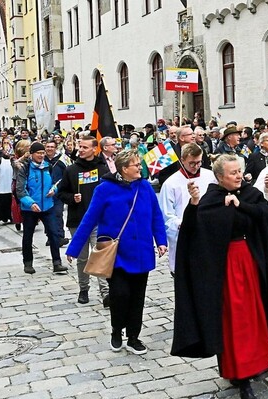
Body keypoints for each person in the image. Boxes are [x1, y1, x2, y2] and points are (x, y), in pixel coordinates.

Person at [172, 154, 268, 399]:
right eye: (233, 173)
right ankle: (241, 376)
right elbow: (194, 232)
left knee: (256, 315)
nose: (238, 176)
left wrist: (240, 205)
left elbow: (265, 217)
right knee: (235, 319)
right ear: (219, 177)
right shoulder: (210, 199)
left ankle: (258, 364)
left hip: (252, 263)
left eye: (239, 171)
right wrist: (193, 204)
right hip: (225, 268)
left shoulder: (249, 194)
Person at [66, 149, 168, 354]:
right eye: (136, 165)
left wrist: (161, 240)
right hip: (116, 253)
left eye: (140, 164)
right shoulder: (104, 190)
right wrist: (74, 248)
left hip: (141, 252)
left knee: (138, 297)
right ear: (123, 168)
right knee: (119, 295)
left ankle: (133, 337)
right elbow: (89, 219)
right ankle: (116, 330)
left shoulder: (145, 188)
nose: (141, 167)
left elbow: (156, 215)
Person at [57, 135, 111, 305]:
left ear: (95, 149)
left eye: (85, 147)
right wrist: (73, 198)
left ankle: (105, 293)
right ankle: (83, 288)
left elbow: (111, 191)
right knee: (82, 258)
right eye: (80, 147)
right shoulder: (71, 170)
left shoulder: (103, 169)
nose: (80, 149)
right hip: (78, 220)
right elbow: (61, 193)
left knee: (100, 256)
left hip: (99, 220)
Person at [158, 143, 217, 276]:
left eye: (199, 162)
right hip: (184, 235)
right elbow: (166, 214)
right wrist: (181, 224)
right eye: (191, 163)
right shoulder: (170, 183)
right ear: (182, 160)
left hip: (208, 233)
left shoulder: (210, 177)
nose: (196, 166)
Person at [17, 142, 69, 275]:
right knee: (28, 236)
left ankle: (57, 263)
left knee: (54, 233)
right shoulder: (25, 168)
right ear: (32, 154)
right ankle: (28, 263)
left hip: (48, 206)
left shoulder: (48, 167)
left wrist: (54, 189)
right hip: (30, 208)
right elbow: (20, 190)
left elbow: (54, 183)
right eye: (38, 153)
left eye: (42, 153)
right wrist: (30, 203)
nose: (41, 155)